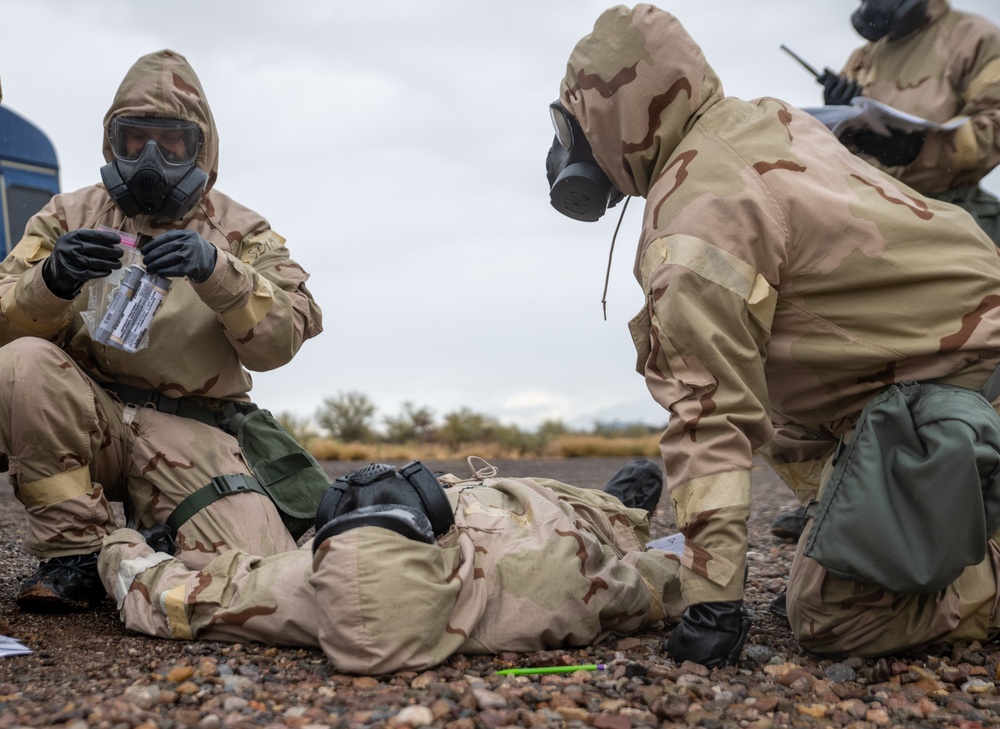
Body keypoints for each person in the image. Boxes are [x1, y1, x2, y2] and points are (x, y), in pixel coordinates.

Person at [547, 4, 1000, 665]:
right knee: (785, 413)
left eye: (576, 122)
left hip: (960, 381)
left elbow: (711, 414)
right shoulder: (765, 118)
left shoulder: (694, 222)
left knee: (835, 618)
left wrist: (712, 601)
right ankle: (939, 507)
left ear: (613, 116)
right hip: (951, 359)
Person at [0, 49, 323, 612]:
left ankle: (154, 540)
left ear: (200, 145)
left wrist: (217, 272)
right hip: (88, 417)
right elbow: (5, 322)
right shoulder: (67, 216)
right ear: (112, 142)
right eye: (134, 139)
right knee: (24, 361)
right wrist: (49, 281)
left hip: (189, 428)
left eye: (170, 141)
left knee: (253, 582)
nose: (150, 157)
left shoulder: (242, 231)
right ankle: (72, 554)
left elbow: (283, 340)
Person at [95, 458, 682, 675]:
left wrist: (120, 545)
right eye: (398, 511)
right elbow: (656, 586)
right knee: (624, 507)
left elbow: (166, 595)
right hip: (557, 510)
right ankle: (626, 497)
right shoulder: (553, 580)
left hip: (490, 504)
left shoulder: (305, 590)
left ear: (319, 555)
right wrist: (675, 554)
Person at [772, 0, 1000, 541]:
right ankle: (839, 499)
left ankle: (966, 505)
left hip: (955, 214)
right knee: (858, 360)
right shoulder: (865, 55)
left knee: (969, 367)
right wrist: (840, 116)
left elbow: (994, 127)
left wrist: (919, 145)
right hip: (877, 221)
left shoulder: (974, 38)